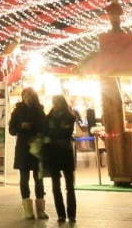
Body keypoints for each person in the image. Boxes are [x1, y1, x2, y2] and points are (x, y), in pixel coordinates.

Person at [9, 87, 47, 219]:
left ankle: (41, 209)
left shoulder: (40, 110)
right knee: (24, 179)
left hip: (36, 148)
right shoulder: (17, 111)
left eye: (30, 95)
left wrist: (38, 130)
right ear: (23, 96)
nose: (28, 98)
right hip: (23, 148)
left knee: (39, 179)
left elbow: (45, 127)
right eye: (25, 95)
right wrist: (21, 126)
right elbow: (11, 130)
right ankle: (28, 210)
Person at [41, 94, 80, 224]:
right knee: (56, 187)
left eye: (56, 101)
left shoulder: (68, 116)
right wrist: (56, 134)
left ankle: (71, 215)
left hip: (64, 153)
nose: (55, 104)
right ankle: (62, 215)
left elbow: (65, 132)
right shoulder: (50, 116)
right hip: (55, 154)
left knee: (69, 186)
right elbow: (49, 132)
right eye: (54, 102)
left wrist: (53, 135)